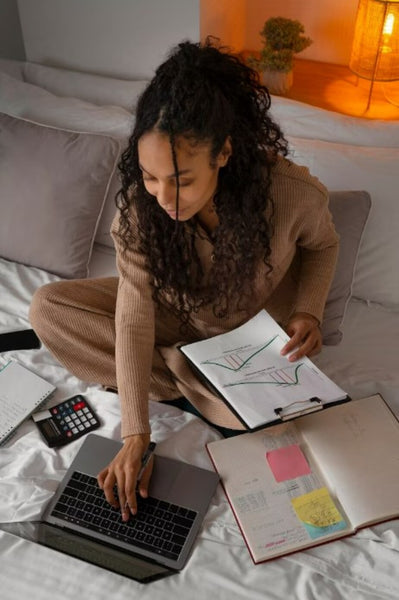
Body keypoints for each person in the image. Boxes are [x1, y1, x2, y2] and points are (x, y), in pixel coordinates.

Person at [29, 39, 339, 522]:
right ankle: (191, 378)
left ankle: (187, 379)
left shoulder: (293, 195)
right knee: (47, 309)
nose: (164, 197)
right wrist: (136, 434)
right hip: (169, 316)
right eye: (151, 177)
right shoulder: (140, 209)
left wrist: (308, 310)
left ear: (224, 153)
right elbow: (133, 320)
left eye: (181, 179)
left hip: (244, 337)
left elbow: (323, 247)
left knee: (281, 425)